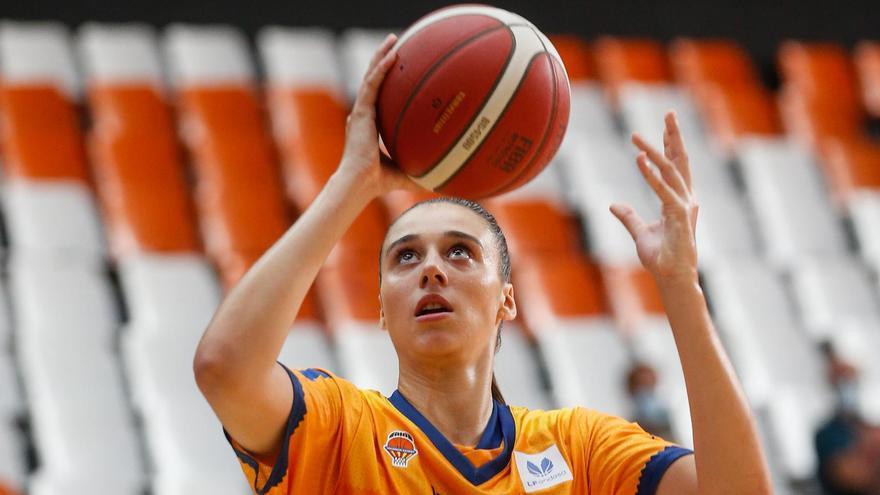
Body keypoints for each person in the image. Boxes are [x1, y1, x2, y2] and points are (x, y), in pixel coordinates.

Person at [193, 34, 772, 494]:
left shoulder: (578, 450)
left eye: (460, 251)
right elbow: (224, 368)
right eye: (405, 257)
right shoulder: (340, 429)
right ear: (382, 309)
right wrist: (353, 184)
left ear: (508, 299)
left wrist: (680, 287)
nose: (431, 269)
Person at [814, 342, 880, 494]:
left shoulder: (867, 426)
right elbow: (849, 476)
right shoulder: (827, 434)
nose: (848, 387)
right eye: (841, 381)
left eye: (851, 380)